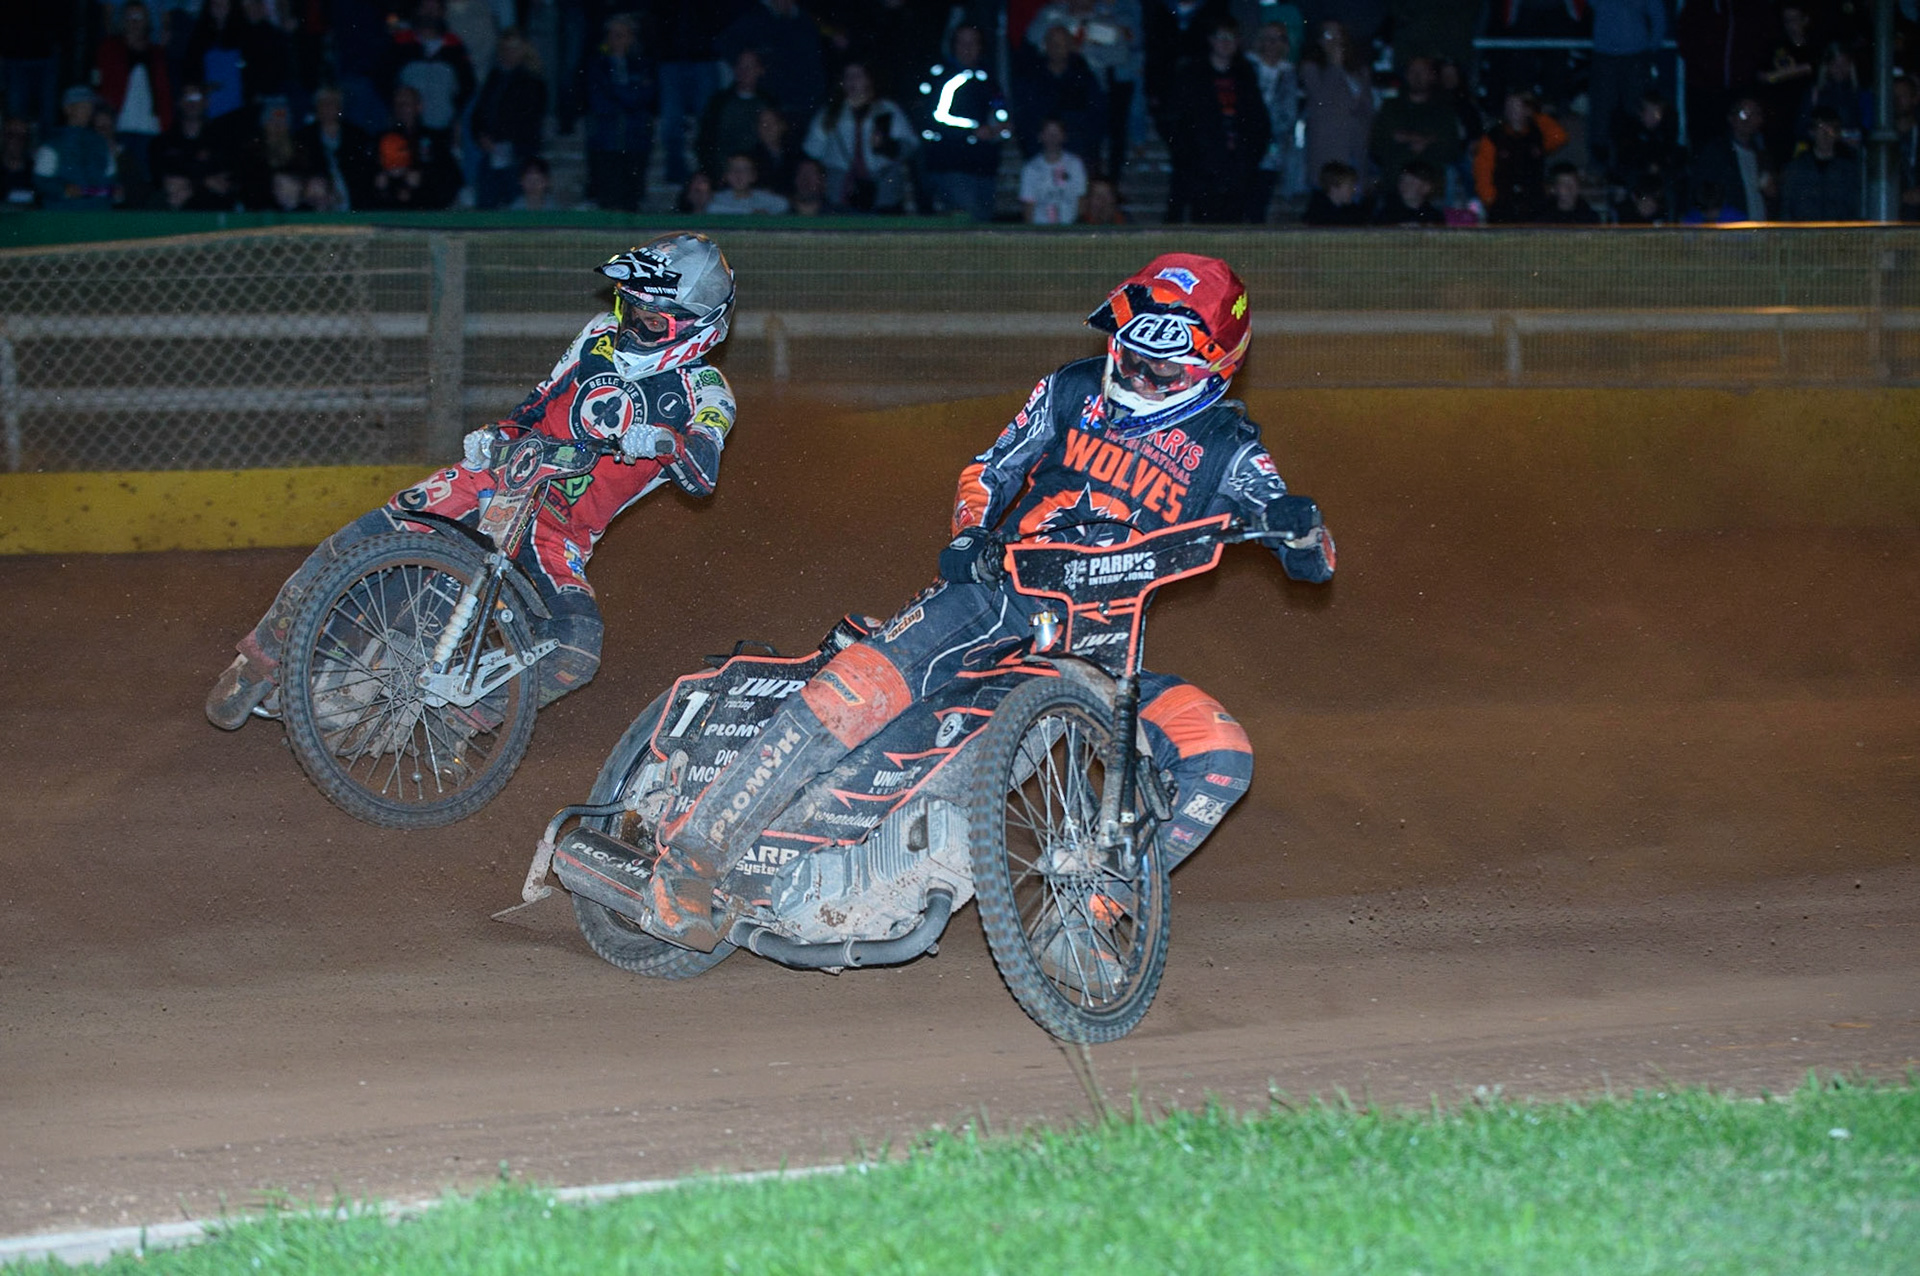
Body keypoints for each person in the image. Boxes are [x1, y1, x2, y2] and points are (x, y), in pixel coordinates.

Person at [641, 252, 1336, 955]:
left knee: (1221, 753)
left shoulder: (1229, 446)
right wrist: (971, 532)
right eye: (1131, 359)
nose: (1143, 380)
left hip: (1094, 652)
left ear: (1216, 367)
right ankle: (697, 853)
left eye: (1166, 370)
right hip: (995, 592)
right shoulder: (1071, 388)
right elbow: (991, 466)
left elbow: (1306, 543)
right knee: (859, 692)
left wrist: (1302, 533)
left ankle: (1088, 914)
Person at [207, 235, 740, 731]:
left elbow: (702, 474)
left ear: (697, 325)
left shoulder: (707, 392)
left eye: (649, 321)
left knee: (575, 648)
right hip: (502, 474)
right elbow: (536, 403)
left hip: (559, 531)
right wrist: (495, 434)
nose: (630, 325)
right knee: (371, 533)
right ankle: (264, 655)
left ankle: (452, 724)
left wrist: (671, 443)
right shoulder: (599, 334)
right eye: (629, 308)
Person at [1166, 16, 1269, 224]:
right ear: (1211, 40)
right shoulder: (1192, 74)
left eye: (1231, 38)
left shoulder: (1245, 75)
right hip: (1202, 168)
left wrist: (1248, 157)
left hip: (1237, 168)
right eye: (1221, 37)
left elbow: (1259, 122)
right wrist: (1190, 156)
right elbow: (1176, 121)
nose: (1226, 42)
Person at [916, 24, 1010, 222]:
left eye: (973, 42)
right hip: (951, 165)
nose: (967, 48)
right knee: (967, 222)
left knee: (983, 224)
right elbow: (932, 120)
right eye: (962, 42)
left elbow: (1000, 109)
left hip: (985, 167)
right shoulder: (941, 77)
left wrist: (1002, 126)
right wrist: (972, 131)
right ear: (953, 45)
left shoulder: (987, 78)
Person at [805, 60, 915, 213]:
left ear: (869, 79)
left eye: (858, 76)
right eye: (848, 76)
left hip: (881, 183)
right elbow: (812, 150)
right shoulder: (829, 113)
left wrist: (886, 145)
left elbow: (909, 145)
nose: (852, 81)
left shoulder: (887, 109)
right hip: (841, 185)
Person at [583, 13, 657, 212]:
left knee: (632, 197)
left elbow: (643, 97)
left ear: (631, 38)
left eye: (621, 35)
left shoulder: (643, 64)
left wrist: (615, 91)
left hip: (635, 141)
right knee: (606, 196)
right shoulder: (597, 65)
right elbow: (598, 101)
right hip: (605, 141)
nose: (616, 39)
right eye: (612, 34)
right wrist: (627, 93)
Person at [1472, 90, 1569, 224]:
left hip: (1533, 203)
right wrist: (1490, 200)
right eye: (1510, 106)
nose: (1513, 111)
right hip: (1503, 205)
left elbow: (1560, 137)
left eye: (1518, 106)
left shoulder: (1537, 133)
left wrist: (1536, 116)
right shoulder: (1493, 137)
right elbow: (1482, 171)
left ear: (1527, 109)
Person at [33, 86, 116, 211]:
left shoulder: (101, 143)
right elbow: (40, 181)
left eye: (90, 106)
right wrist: (63, 190)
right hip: (64, 218)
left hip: (98, 218)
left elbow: (111, 177)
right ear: (68, 109)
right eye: (83, 106)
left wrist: (116, 190)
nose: (88, 111)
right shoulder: (52, 145)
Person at [1780, 107, 1862, 221]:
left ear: (1837, 134)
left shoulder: (1848, 171)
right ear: (1812, 132)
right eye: (1821, 128)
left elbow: (1854, 208)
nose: (1826, 134)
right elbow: (1787, 208)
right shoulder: (1796, 168)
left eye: (1830, 129)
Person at [1019, 116, 1088, 223]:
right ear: (1040, 136)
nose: (1052, 137)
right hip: (1041, 229)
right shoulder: (1031, 168)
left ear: (1064, 136)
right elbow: (1028, 205)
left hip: (1069, 228)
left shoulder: (1075, 164)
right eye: (1048, 133)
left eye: (1056, 133)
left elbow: (1081, 198)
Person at [709, 150, 791, 213]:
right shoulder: (717, 198)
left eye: (745, 170)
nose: (738, 174)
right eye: (733, 169)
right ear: (726, 175)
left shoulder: (763, 197)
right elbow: (712, 208)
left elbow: (784, 204)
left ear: (753, 176)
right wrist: (751, 212)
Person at [1371, 158, 1445, 225]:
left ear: (1426, 188)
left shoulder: (1434, 217)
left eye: (1411, 183)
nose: (1404, 185)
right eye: (1402, 180)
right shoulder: (1387, 212)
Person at [1302, 159, 1365, 225]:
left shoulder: (1352, 212)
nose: (1353, 190)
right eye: (1350, 186)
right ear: (1334, 187)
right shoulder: (1317, 215)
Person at [1536, 161, 1601, 224]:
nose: (1570, 188)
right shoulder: (1543, 218)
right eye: (1564, 184)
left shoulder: (1590, 217)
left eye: (1573, 183)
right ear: (1553, 189)